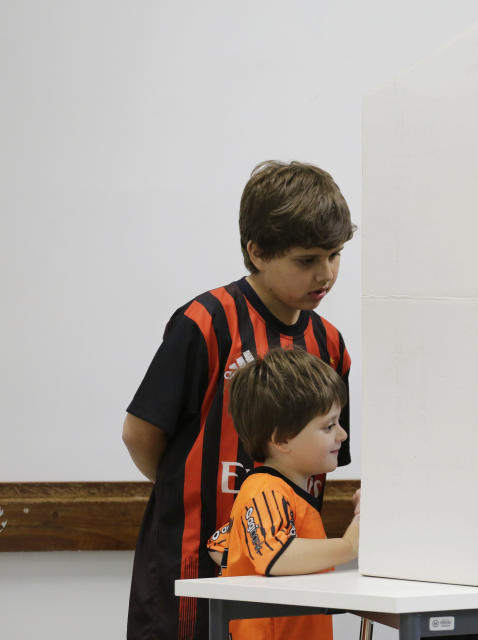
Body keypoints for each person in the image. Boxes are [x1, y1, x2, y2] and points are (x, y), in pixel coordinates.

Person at [122, 160, 355, 640]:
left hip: (284, 578)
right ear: (258, 251)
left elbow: (325, 463)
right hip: (189, 566)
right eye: (307, 259)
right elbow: (140, 434)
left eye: (335, 255)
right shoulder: (206, 322)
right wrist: (196, 495)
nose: (326, 273)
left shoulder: (330, 344)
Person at [206, 348, 360, 640]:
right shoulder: (266, 489)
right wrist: (350, 543)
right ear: (281, 439)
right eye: (329, 426)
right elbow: (275, 555)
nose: (342, 435)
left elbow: (220, 545)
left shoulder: (281, 493)